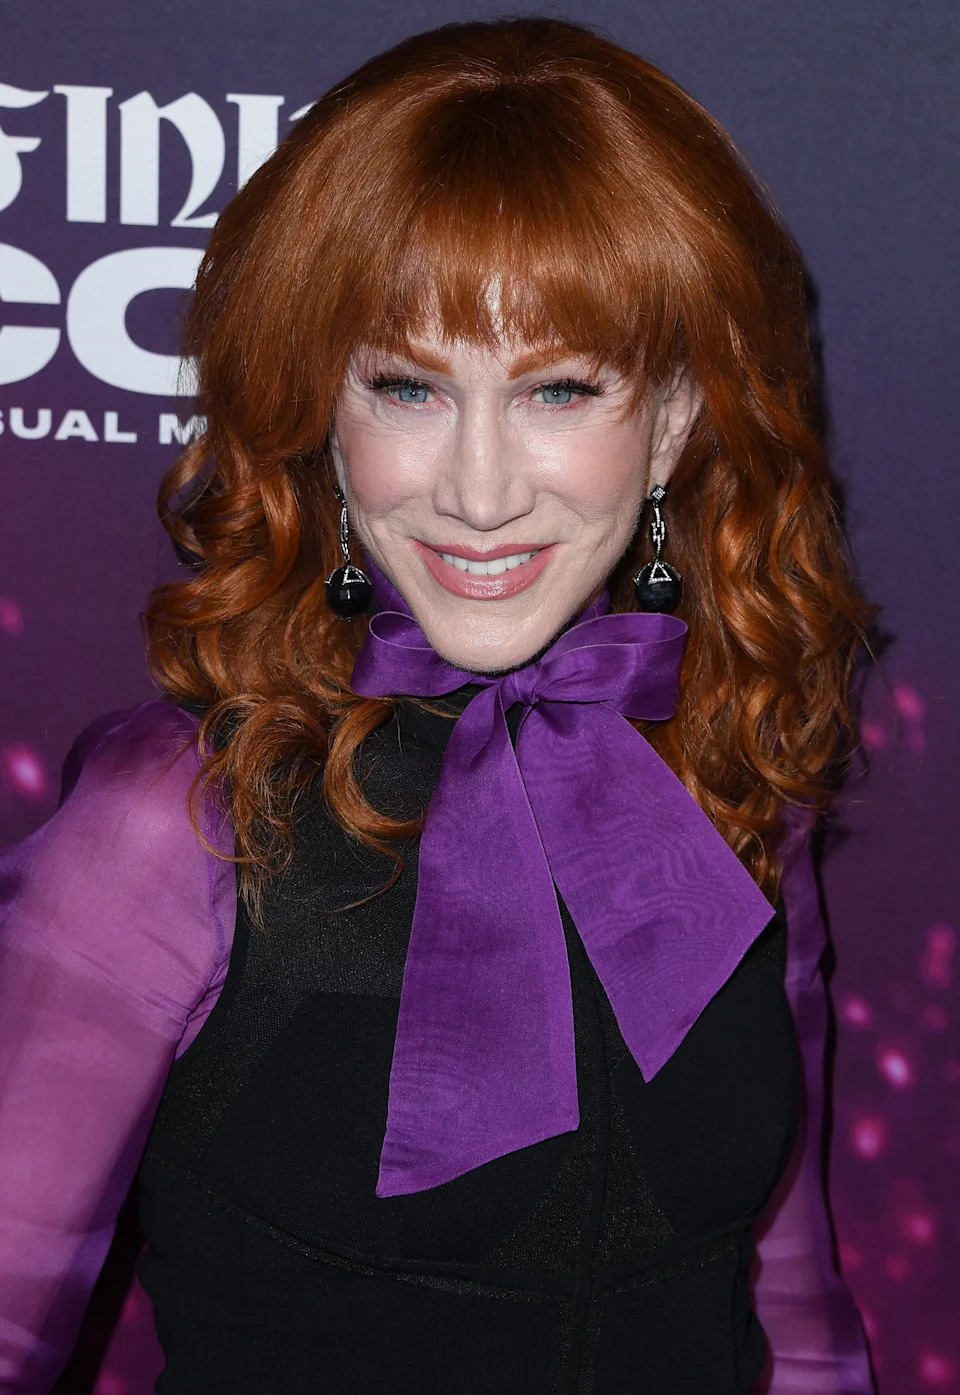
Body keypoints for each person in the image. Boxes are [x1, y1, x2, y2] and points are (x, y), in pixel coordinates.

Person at [0, 16, 879, 1394]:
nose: (476, 492)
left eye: (559, 390)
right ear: (321, 409)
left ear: (672, 420)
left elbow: (796, 1311)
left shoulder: (734, 777)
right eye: (408, 386)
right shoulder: (172, 825)